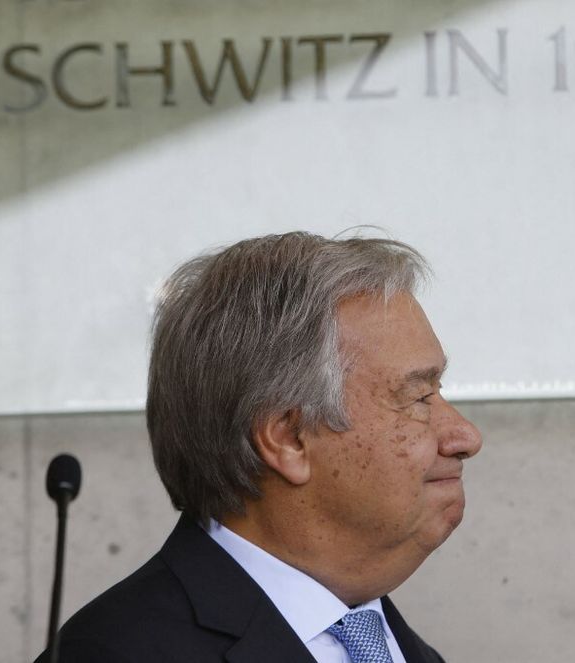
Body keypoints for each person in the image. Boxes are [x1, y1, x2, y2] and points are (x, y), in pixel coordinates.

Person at [38, 231, 482, 662]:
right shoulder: (112, 653)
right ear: (287, 439)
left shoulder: (399, 649)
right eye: (419, 398)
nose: (465, 437)